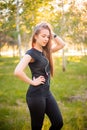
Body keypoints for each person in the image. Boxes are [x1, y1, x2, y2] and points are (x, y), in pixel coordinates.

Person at [14, 22, 65, 130]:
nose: (46, 39)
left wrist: (52, 33)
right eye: (43, 36)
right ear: (35, 36)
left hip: (47, 93)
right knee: (37, 127)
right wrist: (32, 82)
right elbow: (17, 71)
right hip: (36, 96)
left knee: (58, 123)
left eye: (48, 37)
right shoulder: (31, 53)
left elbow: (62, 44)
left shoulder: (46, 51)